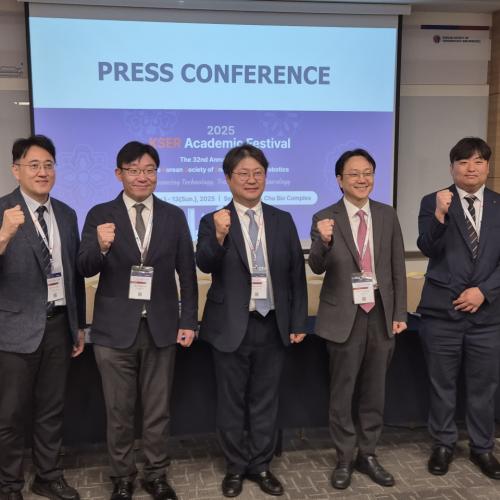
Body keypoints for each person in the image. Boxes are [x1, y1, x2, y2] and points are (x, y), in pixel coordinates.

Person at [77, 141, 197, 500]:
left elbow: (187, 273)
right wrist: (100, 246)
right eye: (133, 170)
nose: (142, 177)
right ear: (119, 174)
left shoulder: (174, 215)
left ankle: (156, 475)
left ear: (157, 174)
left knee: (158, 411)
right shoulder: (100, 213)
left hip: (162, 326)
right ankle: (122, 476)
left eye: (149, 170)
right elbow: (85, 267)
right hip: (114, 330)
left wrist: (188, 320)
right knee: (119, 411)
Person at [196, 144, 307, 498]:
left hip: (272, 323)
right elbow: (205, 263)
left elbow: (295, 275)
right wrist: (218, 236)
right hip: (231, 326)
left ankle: (260, 465)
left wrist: (298, 322)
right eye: (243, 174)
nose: (251, 179)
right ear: (228, 178)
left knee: (265, 400)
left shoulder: (282, 219)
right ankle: (234, 467)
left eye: (258, 173)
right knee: (231, 402)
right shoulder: (213, 220)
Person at [309, 148, 407, 490]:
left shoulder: (386, 214)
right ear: (340, 180)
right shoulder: (325, 217)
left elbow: (397, 266)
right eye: (354, 174)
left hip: (380, 312)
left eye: (367, 173)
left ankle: (368, 453)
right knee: (343, 391)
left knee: (374, 390)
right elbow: (316, 266)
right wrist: (323, 240)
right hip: (344, 316)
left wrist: (399, 312)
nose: (362, 179)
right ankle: (344, 457)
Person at [0, 135, 85, 500]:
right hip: (14, 330)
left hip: (58, 326)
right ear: (15, 170)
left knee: (52, 410)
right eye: (33, 165)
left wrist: (77, 324)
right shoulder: (3, 211)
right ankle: (9, 484)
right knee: (10, 416)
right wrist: (3, 235)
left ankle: (48, 476)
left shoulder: (66, 213)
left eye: (48, 165)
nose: (42, 172)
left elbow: (72, 274)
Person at [417, 137, 500, 480]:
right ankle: (443, 444)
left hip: (488, 315)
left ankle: (482, 447)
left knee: (484, 387)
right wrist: (439, 215)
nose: (471, 168)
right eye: (463, 162)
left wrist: (484, 291)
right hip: (442, 313)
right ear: (452, 167)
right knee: (442, 385)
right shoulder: (434, 201)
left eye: (478, 161)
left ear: (488, 167)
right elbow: (427, 247)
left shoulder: (498, 204)